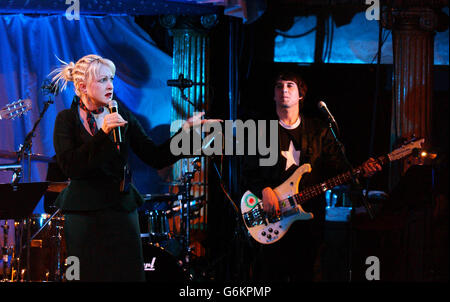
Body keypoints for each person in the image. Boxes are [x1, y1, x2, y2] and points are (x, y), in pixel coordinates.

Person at [50, 54, 213, 282]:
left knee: (129, 276)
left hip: (120, 209)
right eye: (102, 80)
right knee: (83, 276)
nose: (110, 86)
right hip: (82, 212)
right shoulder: (66, 120)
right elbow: (71, 167)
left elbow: (155, 156)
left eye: (111, 79)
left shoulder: (121, 116)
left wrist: (185, 135)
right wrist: (104, 135)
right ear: (81, 87)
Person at [241, 70, 381, 282]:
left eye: (290, 86)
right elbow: (246, 170)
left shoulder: (319, 130)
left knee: (306, 273)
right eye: (279, 86)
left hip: (308, 220)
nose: (284, 91)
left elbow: (339, 165)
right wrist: (265, 189)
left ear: (300, 95)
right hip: (272, 216)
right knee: (269, 275)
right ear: (273, 95)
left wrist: (360, 170)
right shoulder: (262, 130)